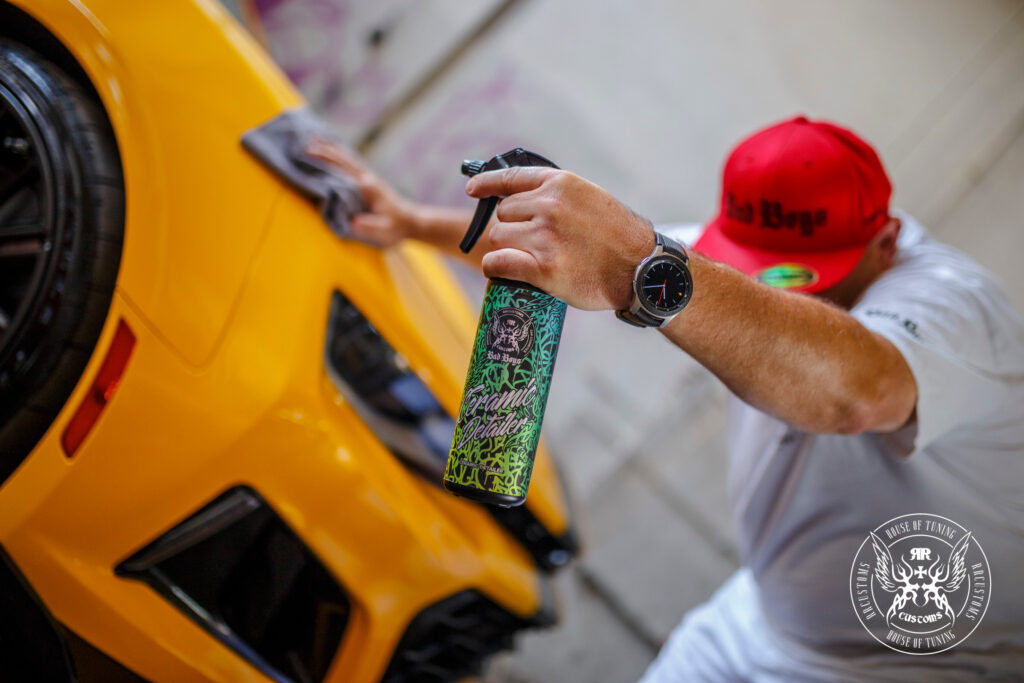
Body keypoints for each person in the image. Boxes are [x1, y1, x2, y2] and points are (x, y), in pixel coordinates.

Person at [309, 116, 1024, 680]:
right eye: (754, 270)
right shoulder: (721, 257)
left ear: (885, 241)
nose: (771, 288)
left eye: (799, 278)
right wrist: (409, 222)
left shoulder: (957, 309)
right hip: (757, 618)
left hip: (927, 662)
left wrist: (644, 266)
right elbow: (585, 253)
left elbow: (860, 394)